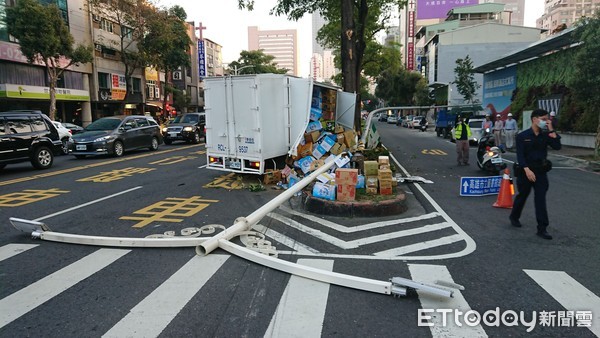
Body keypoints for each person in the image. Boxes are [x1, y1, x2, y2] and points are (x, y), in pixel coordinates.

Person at [509, 109, 561, 240]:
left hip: (541, 172)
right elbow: (520, 156)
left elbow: (557, 146)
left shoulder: (545, 135)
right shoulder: (522, 136)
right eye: (543, 119)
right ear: (534, 119)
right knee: (522, 195)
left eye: (547, 119)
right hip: (525, 172)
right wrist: (526, 169)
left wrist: (551, 128)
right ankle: (514, 216)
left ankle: (542, 228)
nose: (546, 121)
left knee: (540, 200)